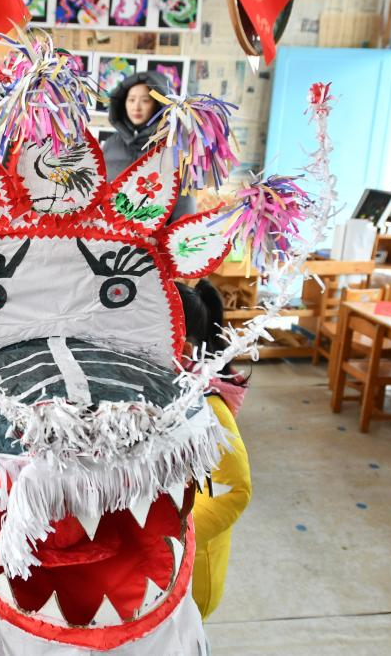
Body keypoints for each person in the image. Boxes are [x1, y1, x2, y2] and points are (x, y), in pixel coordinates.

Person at [175, 280, 252, 620]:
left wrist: (169, 539)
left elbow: (234, 491)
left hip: (190, 575)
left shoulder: (207, 408)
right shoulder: (169, 389)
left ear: (184, 348)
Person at [103, 71, 196, 222]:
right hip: (109, 233)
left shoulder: (172, 148)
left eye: (145, 100)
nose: (136, 107)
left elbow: (184, 208)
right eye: (131, 100)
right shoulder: (111, 144)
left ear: (159, 104)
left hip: (153, 234)